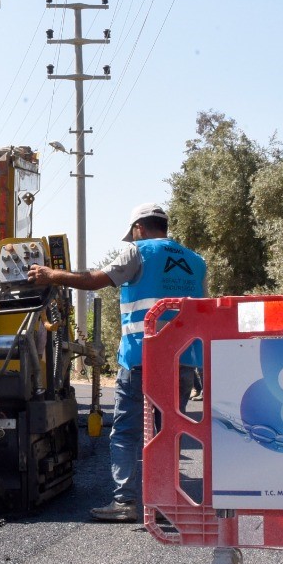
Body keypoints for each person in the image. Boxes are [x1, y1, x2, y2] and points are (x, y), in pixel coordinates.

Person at [27, 202, 206, 522]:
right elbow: (203, 313)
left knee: (126, 433)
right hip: (183, 363)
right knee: (169, 433)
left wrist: (50, 275)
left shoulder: (137, 253)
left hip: (142, 360)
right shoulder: (195, 262)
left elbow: (97, 279)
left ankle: (126, 502)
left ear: (139, 228)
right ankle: (166, 502)